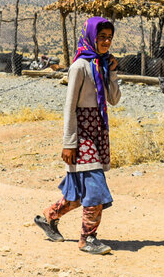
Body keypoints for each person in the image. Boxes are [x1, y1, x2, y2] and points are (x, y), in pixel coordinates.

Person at [34, 16, 120, 255]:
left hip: (98, 130)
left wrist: (112, 73)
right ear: (91, 36)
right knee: (95, 188)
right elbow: (69, 106)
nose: (105, 42)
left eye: (109, 38)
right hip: (81, 133)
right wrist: (69, 143)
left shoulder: (103, 65)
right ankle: (87, 239)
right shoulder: (80, 66)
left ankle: (48, 218)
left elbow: (113, 99)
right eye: (101, 37)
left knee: (79, 194)